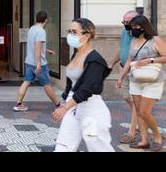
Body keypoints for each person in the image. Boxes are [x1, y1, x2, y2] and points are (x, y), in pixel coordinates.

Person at [53, 18, 114, 152]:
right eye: (69, 31)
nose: (70, 35)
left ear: (86, 36)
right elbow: (71, 84)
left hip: (92, 114)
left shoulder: (95, 60)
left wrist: (64, 108)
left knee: (98, 148)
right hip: (73, 110)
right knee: (63, 147)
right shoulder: (76, 54)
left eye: (74, 32)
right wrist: (66, 102)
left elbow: (87, 89)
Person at [116, 15, 166, 151]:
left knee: (145, 112)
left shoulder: (155, 40)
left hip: (153, 80)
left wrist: (149, 60)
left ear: (144, 27)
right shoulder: (133, 40)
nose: (133, 29)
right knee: (138, 111)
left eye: (135, 27)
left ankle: (157, 136)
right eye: (132, 27)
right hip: (135, 79)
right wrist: (121, 77)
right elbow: (128, 60)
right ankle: (144, 140)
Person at [14, 11, 60, 111]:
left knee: (26, 82)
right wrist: (39, 63)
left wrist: (46, 51)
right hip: (39, 63)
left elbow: (34, 45)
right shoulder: (41, 31)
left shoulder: (32, 28)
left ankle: (18, 105)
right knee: (47, 84)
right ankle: (58, 105)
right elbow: (38, 47)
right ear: (46, 20)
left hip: (29, 61)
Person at [109, 11, 140, 144]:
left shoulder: (141, 34)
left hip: (136, 70)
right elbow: (122, 49)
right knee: (126, 97)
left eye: (129, 22)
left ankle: (132, 132)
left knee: (134, 100)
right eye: (124, 22)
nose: (126, 25)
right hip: (124, 68)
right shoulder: (124, 31)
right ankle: (142, 118)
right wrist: (112, 62)